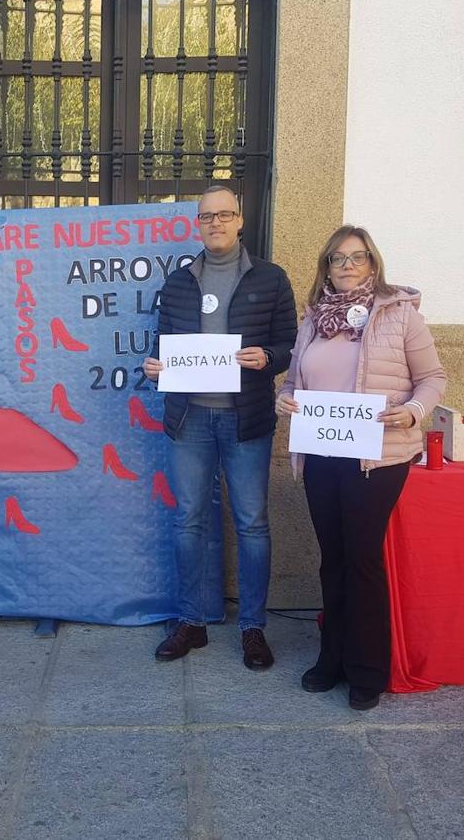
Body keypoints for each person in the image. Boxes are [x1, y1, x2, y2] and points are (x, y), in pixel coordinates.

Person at [276, 225, 446, 710]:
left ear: (373, 263)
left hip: (378, 456)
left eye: (357, 257)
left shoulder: (399, 315)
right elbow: (292, 382)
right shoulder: (311, 320)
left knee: (363, 559)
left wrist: (413, 411)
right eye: (337, 258)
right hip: (322, 452)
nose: (347, 266)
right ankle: (332, 658)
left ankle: (368, 669)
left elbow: (433, 378)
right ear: (326, 267)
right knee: (333, 558)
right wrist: (285, 400)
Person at [143, 185, 298, 670]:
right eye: (206, 216)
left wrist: (269, 357)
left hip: (245, 418)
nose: (215, 223)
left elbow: (292, 344)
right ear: (198, 223)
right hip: (189, 418)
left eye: (224, 214)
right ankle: (191, 622)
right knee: (188, 520)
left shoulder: (270, 279)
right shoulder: (178, 282)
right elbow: (164, 344)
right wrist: (157, 368)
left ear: (240, 220)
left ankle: (253, 627)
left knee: (252, 523)